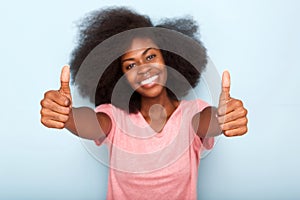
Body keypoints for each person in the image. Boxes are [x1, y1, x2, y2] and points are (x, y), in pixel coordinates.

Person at [40, 7, 248, 200]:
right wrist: (67, 116)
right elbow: (91, 122)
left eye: (150, 56)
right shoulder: (114, 117)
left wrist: (225, 118)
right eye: (130, 65)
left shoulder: (193, 114)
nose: (143, 69)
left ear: (167, 58)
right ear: (119, 75)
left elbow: (210, 120)